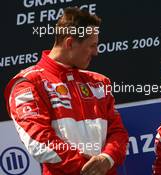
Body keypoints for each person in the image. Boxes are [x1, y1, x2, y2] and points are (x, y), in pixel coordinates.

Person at [4, 7, 128, 175]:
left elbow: (118, 133)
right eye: (92, 45)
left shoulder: (99, 82)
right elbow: (39, 141)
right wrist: (88, 170)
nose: (96, 52)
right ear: (70, 43)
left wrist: (107, 158)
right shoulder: (27, 83)